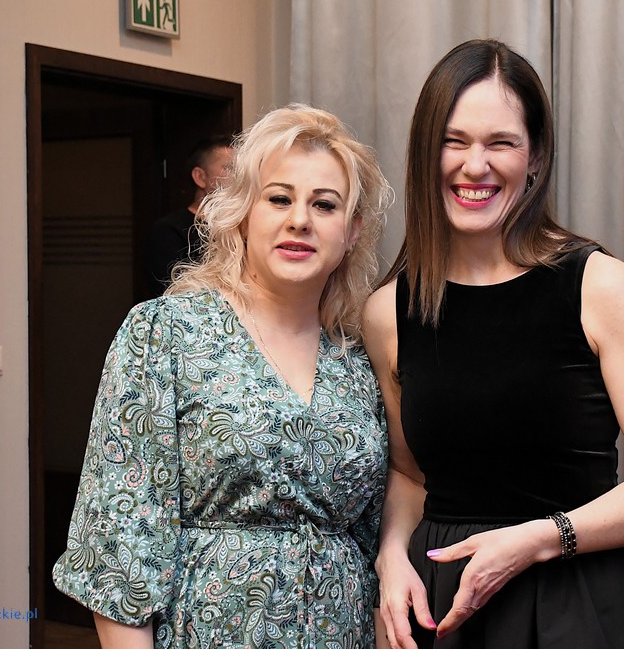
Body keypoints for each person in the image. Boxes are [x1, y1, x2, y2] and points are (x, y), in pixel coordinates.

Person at [363, 39, 624, 649]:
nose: (475, 165)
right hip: (448, 607)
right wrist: (391, 556)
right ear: (425, 153)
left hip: (584, 599)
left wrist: (540, 538)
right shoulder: (389, 311)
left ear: (536, 156)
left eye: (501, 143)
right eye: (454, 141)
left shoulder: (599, 285)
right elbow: (409, 475)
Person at [53, 104, 392, 648]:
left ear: (351, 232)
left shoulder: (357, 360)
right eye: (278, 198)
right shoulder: (166, 334)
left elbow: (377, 541)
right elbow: (119, 546)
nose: (299, 220)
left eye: (324, 204)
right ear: (242, 212)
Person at [145, 135, 234, 297]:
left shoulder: (242, 226)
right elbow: (172, 292)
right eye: (230, 168)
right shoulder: (169, 230)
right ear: (200, 177)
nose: (238, 176)